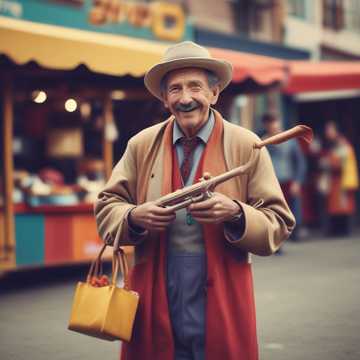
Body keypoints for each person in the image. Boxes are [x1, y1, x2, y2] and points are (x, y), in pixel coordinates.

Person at [94, 41, 295, 360]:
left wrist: (236, 212)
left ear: (215, 93)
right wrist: (133, 216)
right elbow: (107, 207)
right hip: (155, 285)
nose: (185, 98)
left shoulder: (247, 144)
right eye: (174, 89)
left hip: (223, 287)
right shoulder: (141, 145)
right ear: (164, 99)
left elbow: (279, 222)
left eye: (195, 87)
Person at [262, 113, 306, 241]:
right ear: (266, 125)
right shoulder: (263, 141)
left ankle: (294, 232)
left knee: (292, 209)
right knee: (274, 211)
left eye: (276, 122)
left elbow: (300, 162)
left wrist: (298, 181)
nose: (274, 126)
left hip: (289, 180)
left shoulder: (290, 141)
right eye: (271, 123)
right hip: (271, 182)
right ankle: (278, 237)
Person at [317, 121, 358, 236]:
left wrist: (328, 163)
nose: (327, 132)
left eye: (329, 130)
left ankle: (343, 229)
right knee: (334, 206)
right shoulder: (330, 143)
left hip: (341, 179)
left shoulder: (341, 143)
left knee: (342, 205)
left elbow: (341, 161)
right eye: (327, 130)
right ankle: (336, 229)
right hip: (333, 179)